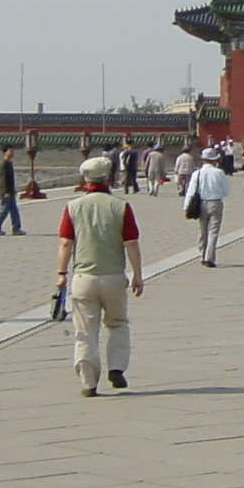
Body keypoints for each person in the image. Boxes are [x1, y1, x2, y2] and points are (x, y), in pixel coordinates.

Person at [55, 156, 144, 397]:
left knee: (85, 331)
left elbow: (65, 243)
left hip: (84, 277)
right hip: (114, 276)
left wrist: (62, 273)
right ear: (108, 177)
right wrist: (137, 274)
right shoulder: (121, 206)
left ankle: (88, 382)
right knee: (117, 323)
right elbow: (132, 243)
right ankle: (116, 367)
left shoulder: (73, 207)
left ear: (85, 178)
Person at [185, 147, 231, 266]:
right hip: (216, 202)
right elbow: (226, 191)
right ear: (214, 160)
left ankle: (202, 254)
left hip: (201, 204)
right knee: (213, 231)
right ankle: (209, 258)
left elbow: (191, 191)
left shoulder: (197, 173)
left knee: (202, 231)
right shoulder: (219, 172)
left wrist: (186, 207)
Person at [0, 145, 23, 236]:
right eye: (10, 152)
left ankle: (16, 228)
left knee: (14, 211)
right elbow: (3, 179)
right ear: (4, 153)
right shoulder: (4, 164)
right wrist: (6, 192)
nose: (12, 154)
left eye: (13, 152)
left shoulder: (9, 163)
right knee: (3, 210)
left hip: (10, 191)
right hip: (6, 192)